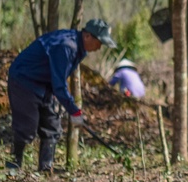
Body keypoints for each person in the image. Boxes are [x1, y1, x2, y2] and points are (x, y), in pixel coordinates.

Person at [7, 18, 117, 172]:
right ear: (87, 36)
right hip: (24, 81)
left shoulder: (78, 47)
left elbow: (57, 79)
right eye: (99, 42)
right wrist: (74, 111)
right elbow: (59, 84)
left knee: (52, 126)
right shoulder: (67, 46)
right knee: (27, 128)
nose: (99, 47)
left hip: (43, 85)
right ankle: (12, 167)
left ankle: (46, 169)